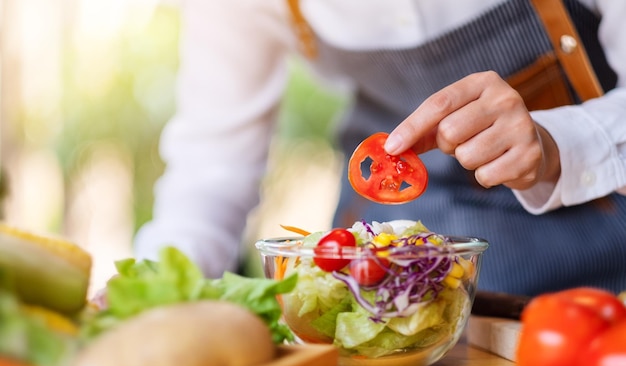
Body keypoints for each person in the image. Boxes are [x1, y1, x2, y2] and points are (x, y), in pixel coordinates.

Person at [133, 0, 626, 297]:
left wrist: (556, 144)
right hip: (379, 279)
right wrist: (151, 288)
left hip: (594, 264)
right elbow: (210, 172)